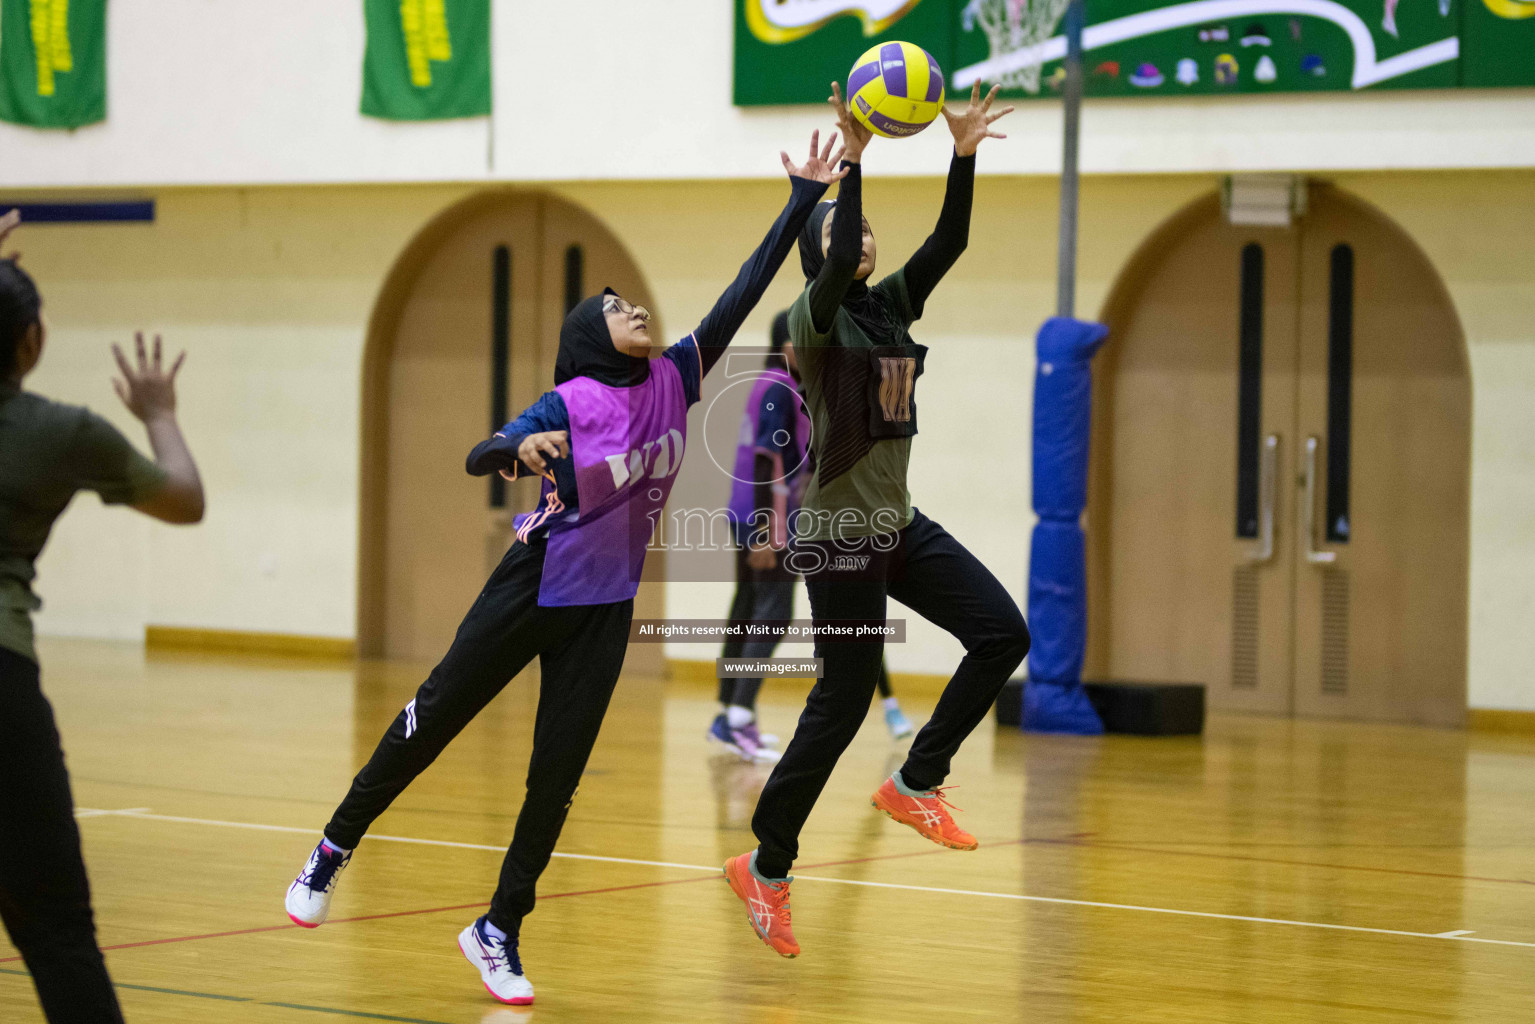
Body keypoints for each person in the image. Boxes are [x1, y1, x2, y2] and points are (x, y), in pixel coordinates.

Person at [283, 132, 847, 1006]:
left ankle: (498, 928)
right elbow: (486, 448)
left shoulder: (674, 376)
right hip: (533, 586)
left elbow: (745, 290)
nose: (633, 308)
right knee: (433, 721)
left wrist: (802, 200)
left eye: (632, 300)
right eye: (615, 305)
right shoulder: (571, 399)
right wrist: (515, 447)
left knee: (556, 779)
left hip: (605, 607)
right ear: (590, 332)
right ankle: (331, 848)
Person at [723, 84, 1028, 958]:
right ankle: (767, 867)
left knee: (1001, 634)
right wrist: (853, 156)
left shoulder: (889, 305)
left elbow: (951, 241)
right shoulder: (807, 319)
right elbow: (826, 255)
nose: (855, 236)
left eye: (861, 228)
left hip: (897, 523)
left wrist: (961, 152)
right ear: (817, 255)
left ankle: (914, 782)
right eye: (838, 232)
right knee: (843, 699)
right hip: (837, 537)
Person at [0, 209, 206, 1023]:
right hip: (2, 687)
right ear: (31, 342)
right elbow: (183, 500)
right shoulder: (60, 433)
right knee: (57, 934)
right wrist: (158, 410)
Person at [711, 312, 913, 763]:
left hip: (746, 512)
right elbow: (768, 461)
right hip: (764, 517)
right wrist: (768, 531)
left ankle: (727, 715)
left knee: (747, 608)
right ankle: (739, 715)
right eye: (804, 345)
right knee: (774, 612)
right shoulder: (779, 388)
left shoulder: (771, 384)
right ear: (786, 346)